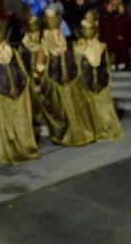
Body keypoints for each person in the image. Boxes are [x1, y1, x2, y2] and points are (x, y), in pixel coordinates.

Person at [0, 22, 40, 165]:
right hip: (19, 95)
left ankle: (7, 147)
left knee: (5, 124)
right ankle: (25, 145)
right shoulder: (12, 52)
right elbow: (23, 74)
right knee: (20, 119)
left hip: (1, 97)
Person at [37, 10, 93, 147]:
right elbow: (38, 65)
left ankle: (76, 133)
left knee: (73, 108)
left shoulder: (64, 40)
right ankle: (62, 134)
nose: (56, 34)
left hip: (70, 80)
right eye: (53, 31)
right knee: (59, 110)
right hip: (54, 82)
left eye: (57, 30)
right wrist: (45, 74)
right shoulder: (44, 44)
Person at [72, 19, 124, 141]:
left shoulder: (98, 47)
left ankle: (101, 128)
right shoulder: (78, 49)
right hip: (87, 84)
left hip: (100, 83)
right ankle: (93, 129)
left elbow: (105, 66)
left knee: (102, 108)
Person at [100, 1, 131, 71]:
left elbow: (128, 27)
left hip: (123, 37)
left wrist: (122, 35)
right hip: (114, 37)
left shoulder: (126, 17)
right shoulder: (113, 16)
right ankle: (114, 65)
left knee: (124, 52)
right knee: (115, 51)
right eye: (119, 8)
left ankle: (126, 65)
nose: (120, 9)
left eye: (121, 8)